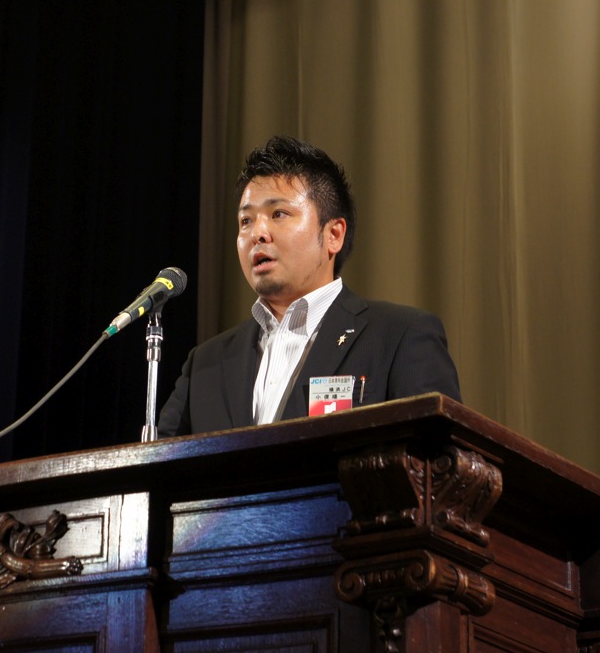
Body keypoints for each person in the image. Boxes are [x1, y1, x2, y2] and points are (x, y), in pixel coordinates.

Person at [158, 135, 460, 437]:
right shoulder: (205, 364)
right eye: (246, 220)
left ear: (333, 235)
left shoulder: (400, 336)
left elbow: (436, 459)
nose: (257, 233)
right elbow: (156, 463)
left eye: (278, 214)